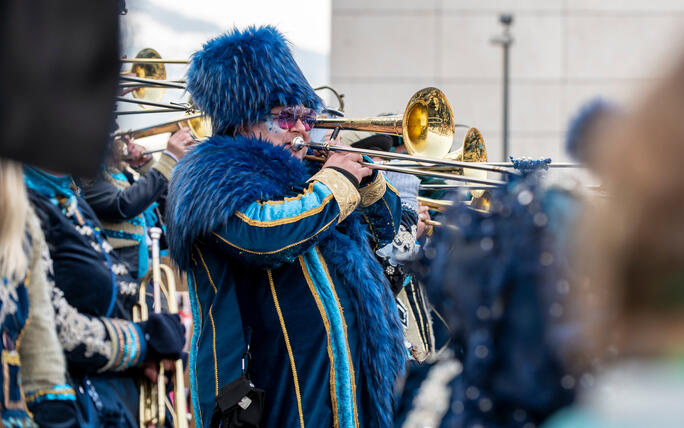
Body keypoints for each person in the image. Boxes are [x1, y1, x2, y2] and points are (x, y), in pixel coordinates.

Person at [166, 26, 405, 428]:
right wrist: (334, 184)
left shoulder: (309, 173)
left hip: (348, 385)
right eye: (286, 117)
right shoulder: (208, 173)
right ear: (243, 120)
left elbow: (388, 237)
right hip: (268, 390)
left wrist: (368, 184)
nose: (300, 128)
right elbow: (262, 236)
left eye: (306, 116)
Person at [24, 164, 186, 427]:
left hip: (114, 398)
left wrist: (156, 346)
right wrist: (143, 340)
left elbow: (109, 292)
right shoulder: (21, 206)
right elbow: (53, 328)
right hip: (70, 405)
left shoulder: (71, 201)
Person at [82, 129, 193, 278]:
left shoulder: (118, 172)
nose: (127, 138)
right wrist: (168, 159)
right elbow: (122, 205)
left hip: (140, 263)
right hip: (116, 268)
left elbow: (162, 204)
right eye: (119, 134)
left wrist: (145, 166)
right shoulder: (86, 173)